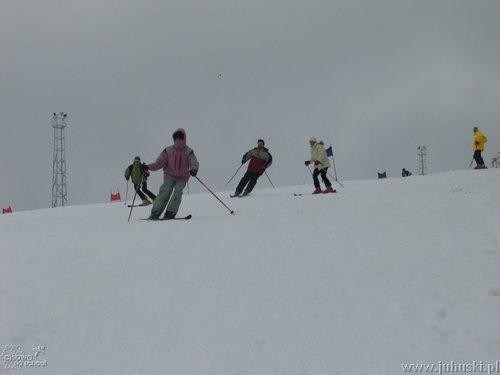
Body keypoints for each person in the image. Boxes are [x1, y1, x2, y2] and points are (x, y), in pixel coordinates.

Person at [144, 129, 199, 220]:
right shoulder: (168, 150)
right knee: (165, 192)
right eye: (176, 138)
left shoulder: (188, 151)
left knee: (177, 192)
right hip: (169, 175)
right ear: (173, 139)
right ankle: (156, 212)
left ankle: (170, 212)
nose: (178, 141)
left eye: (180, 138)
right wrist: (148, 167)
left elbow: (193, 161)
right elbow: (159, 163)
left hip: (182, 177)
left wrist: (194, 169)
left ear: (184, 139)